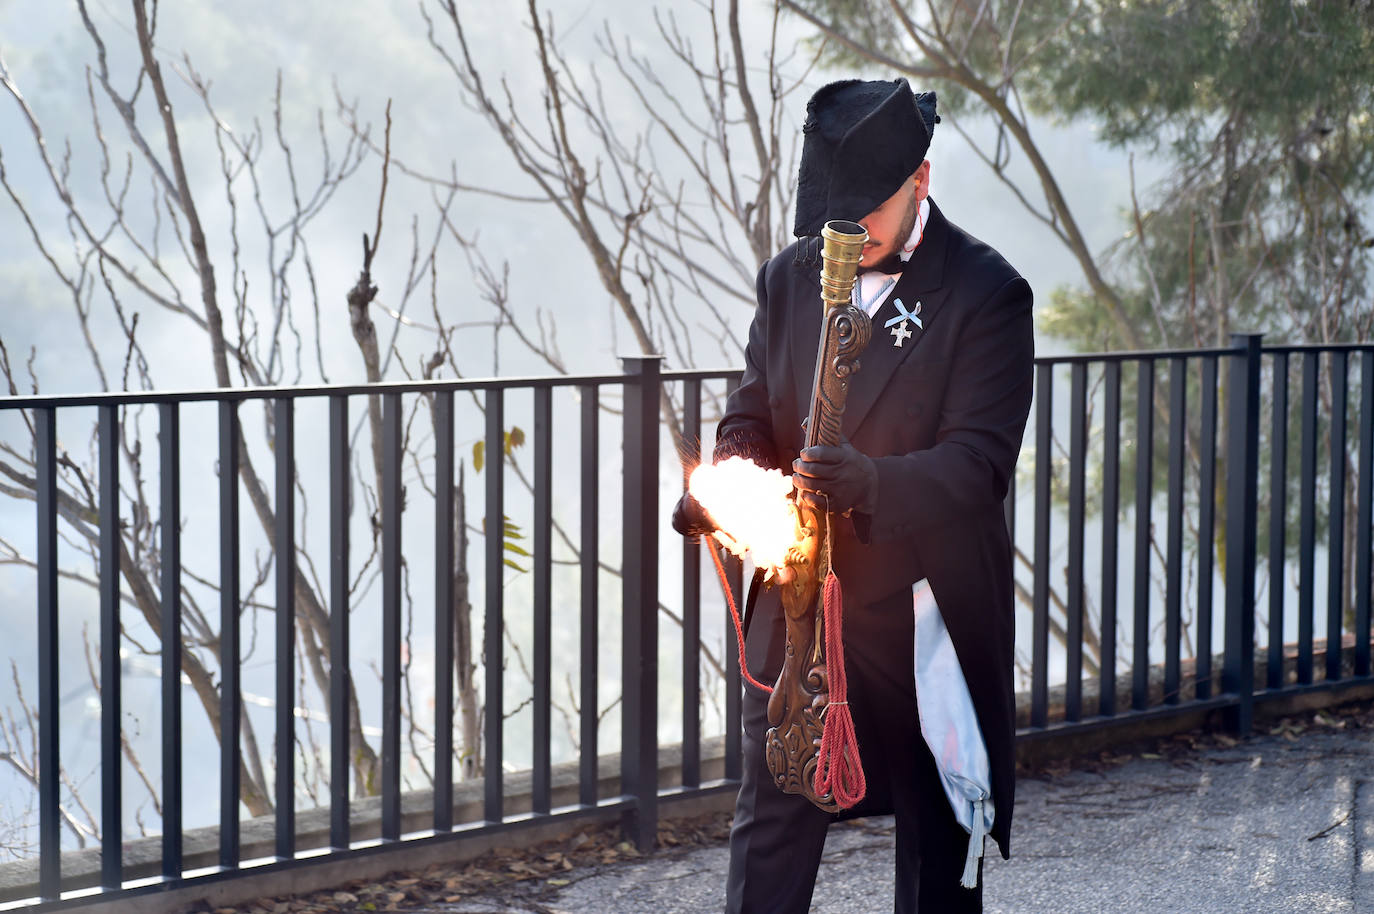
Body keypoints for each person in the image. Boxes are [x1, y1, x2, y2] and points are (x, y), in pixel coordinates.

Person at [672, 78, 1034, 913]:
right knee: (770, 828)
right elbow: (753, 415)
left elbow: (980, 465)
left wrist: (871, 481)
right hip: (802, 604)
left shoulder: (987, 291)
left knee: (940, 847)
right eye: (832, 219)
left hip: (924, 608)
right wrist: (727, 483)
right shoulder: (788, 278)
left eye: (866, 215)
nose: (846, 236)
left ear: (922, 182)